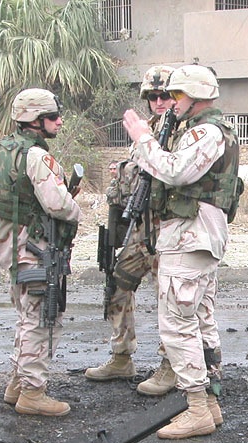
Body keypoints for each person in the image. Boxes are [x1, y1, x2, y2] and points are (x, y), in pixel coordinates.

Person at [122, 64, 240, 439]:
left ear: (195, 97)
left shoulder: (205, 132)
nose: (170, 102)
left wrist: (143, 139)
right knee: (200, 320)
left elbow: (174, 172)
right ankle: (210, 403)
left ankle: (196, 408)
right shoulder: (201, 130)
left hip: (190, 236)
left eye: (176, 96)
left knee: (178, 323)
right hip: (193, 236)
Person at [85, 65, 179, 395]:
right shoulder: (146, 131)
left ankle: (172, 365)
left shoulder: (182, 132)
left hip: (168, 230)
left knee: (170, 301)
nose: (159, 101)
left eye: (165, 95)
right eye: (153, 96)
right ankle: (121, 356)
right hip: (140, 230)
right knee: (118, 285)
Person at [0, 88, 81, 417]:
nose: (59, 122)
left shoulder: (3, 149)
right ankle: (32, 390)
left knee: (27, 314)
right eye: (53, 117)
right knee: (42, 317)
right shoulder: (37, 156)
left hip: (11, 241)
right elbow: (57, 203)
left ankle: (17, 382)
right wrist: (77, 211)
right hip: (34, 243)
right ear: (36, 120)